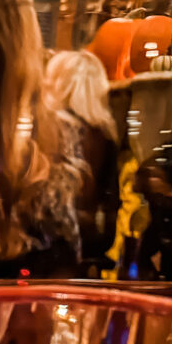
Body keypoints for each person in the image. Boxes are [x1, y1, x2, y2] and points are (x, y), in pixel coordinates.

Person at [44, 49, 119, 262]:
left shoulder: (48, 131)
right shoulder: (107, 137)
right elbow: (111, 205)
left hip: (52, 249)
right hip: (93, 244)